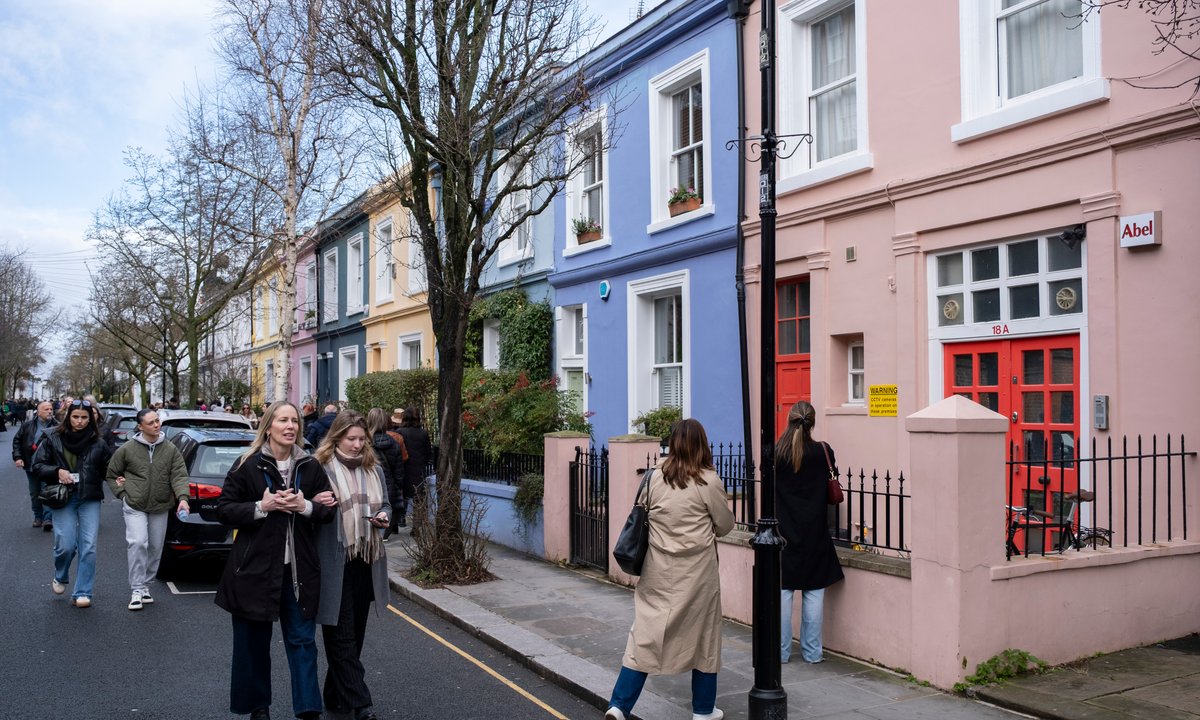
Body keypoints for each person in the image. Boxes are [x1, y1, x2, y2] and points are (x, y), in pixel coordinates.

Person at [605, 418, 735, 720]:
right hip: (698, 576)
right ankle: (703, 711)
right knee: (704, 640)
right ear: (701, 444)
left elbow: (641, 515)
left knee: (644, 637)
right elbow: (725, 526)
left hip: (658, 573)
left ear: (672, 443)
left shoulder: (653, 478)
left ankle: (619, 706)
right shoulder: (708, 481)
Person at [214, 401, 335, 720]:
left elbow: (327, 510)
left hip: (298, 573)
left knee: (303, 643)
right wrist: (260, 506)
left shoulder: (309, 466)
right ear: (268, 426)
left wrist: (304, 506)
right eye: (283, 420)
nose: (290, 426)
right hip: (253, 572)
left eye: (294, 420)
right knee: (252, 646)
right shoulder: (247, 465)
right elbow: (224, 509)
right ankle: (258, 708)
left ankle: (309, 710)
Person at [312, 411, 390, 720]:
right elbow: (307, 509)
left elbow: (385, 504)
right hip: (333, 559)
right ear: (337, 437)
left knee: (354, 635)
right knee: (340, 634)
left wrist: (384, 518)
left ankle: (334, 694)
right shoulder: (318, 468)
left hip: (365, 559)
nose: (357, 445)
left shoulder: (375, 469)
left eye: (361, 439)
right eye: (351, 439)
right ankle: (361, 702)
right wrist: (316, 504)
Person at [776, 400, 845, 664]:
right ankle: (813, 652)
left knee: (782, 594)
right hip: (814, 531)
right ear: (812, 423)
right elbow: (830, 491)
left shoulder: (776, 453)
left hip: (783, 533)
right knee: (814, 593)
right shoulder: (822, 451)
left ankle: (780, 653)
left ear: (789, 420)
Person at [105, 408, 191, 611]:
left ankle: (145, 586)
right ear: (140, 426)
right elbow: (111, 473)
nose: (156, 425)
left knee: (154, 547)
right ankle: (136, 589)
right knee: (138, 542)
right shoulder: (127, 449)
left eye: (157, 421)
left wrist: (183, 499)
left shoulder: (170, 449)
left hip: (160, 505)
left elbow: (179, 475)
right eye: (151, 422)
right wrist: (122, 493)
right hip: (135, 503)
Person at [31, 399, 112, 608]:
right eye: (75, 417)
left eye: (84, 417)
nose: (80, 421)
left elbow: (107, 469)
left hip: (89, 497)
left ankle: (83, 592)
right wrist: (57, 471)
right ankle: (61, 575)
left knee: (89, 546)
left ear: (91, 419)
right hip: (62, 496)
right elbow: (37, 465)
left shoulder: (99, 442)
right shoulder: (51, 437)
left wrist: (118, 478)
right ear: (68, 416)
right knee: (65, 545)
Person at [12, 400, 58, 530]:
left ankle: (48, 519)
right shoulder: (27, 426)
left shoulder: (58, 427)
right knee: (34, 492)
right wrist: (18, 457)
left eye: (51, 409)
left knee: (47, 491)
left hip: (49, 466)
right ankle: (38, 516)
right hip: (31, 465)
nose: (49, 411)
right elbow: (17, 441)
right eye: (46, 409)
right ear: (38, 412)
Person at [365, 409, 405, 539]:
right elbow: (399, 471)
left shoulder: (364, 443)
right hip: (388, 485)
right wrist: (398, 486)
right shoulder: (394, 443)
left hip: (368, 485)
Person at [393, 406, 432, 534]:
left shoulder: (400, 432)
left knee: (402, 497)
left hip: (404, 469)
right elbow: (428, 454)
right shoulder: (424, 433)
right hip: (418, 470)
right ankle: (416, 528)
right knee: (418, 499)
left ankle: (399, 521)